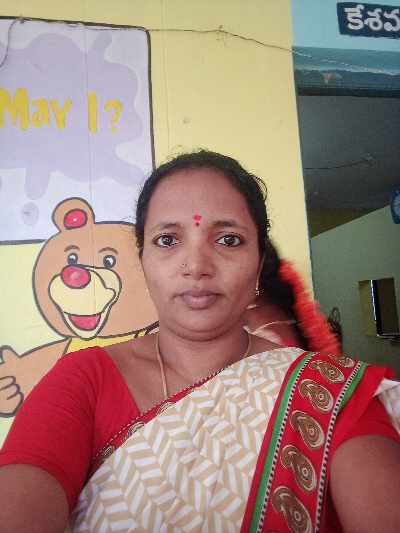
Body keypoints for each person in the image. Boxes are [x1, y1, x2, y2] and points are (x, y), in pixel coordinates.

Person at [0, 150, 400, 533]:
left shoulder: (327, 392)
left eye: (228, 240)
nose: (196, 266)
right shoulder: (84, 380)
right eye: (167, 240)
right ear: (142, 260)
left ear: (259, 263)